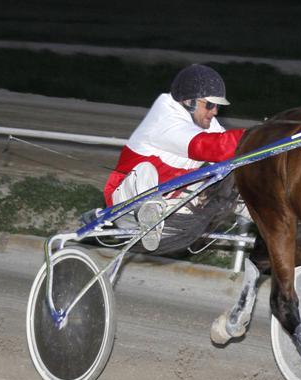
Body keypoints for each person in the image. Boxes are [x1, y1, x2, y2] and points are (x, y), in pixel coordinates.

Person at [102, 64, 246, 251]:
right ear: (189, 101)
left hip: (169, 204)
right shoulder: (164, 121)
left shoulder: (202, 120)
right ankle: (149, 216)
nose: (215, 111)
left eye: (217, 105)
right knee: (146, 171)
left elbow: (232, 152)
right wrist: (265, 135)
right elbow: (213, 147)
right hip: (124, 204)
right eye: (210, 104)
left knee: (227, 176)